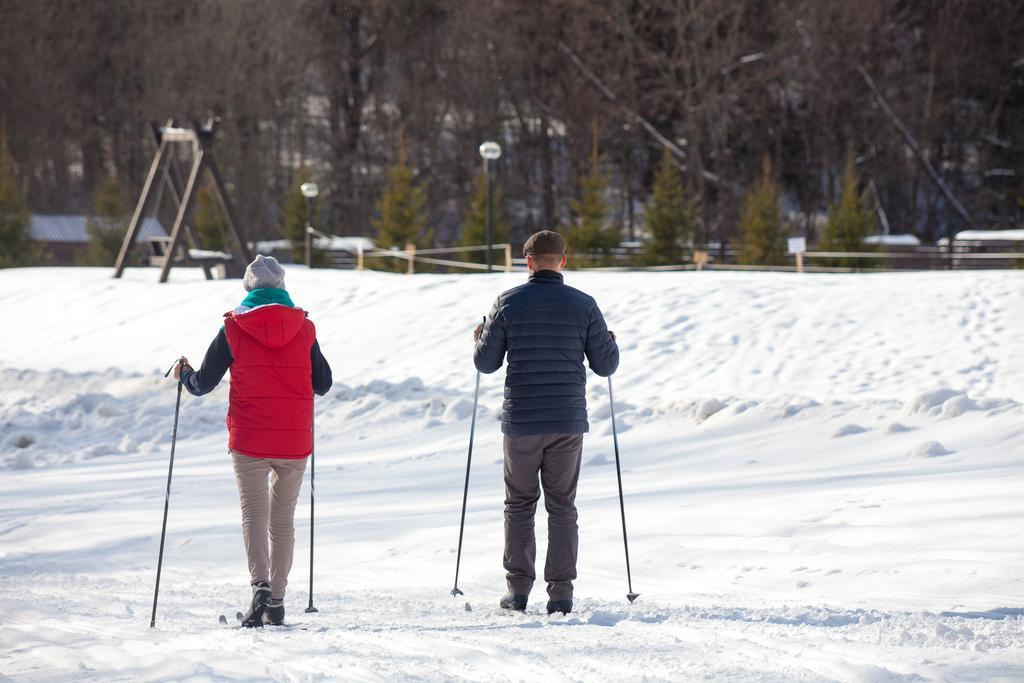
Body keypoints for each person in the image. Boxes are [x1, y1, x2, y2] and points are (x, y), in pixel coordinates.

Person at [174, 254, 332, 627]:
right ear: (281, 287)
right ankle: (276, 600)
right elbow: (323, 383)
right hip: (294, 439)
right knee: (283, 521)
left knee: (254, 514)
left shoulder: (234, 328)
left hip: (249, 437)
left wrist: (184, 374)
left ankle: (259, 584)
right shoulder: (305, 328)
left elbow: (203, 385)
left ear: (248, 287)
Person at [473, 230, 619, 615]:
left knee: (519, 504)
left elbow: (486, 363)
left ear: (529, 262)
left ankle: (518, 590)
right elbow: (606, 365)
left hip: (522, 420)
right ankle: (561, 594)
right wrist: (611, 342)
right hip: (567, 420)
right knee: (562, 506)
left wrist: (480, 337)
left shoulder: (508, 302)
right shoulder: (585, 305)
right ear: (564, 261)